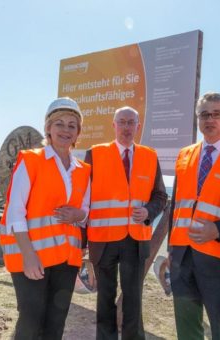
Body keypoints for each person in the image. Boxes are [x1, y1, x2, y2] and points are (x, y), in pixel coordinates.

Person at [0, 97, 91, 340]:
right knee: (30, 321)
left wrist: (78, 214)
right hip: (32, 257)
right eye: (59, 123)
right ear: (48, 128)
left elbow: (86, 211)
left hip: (66, 260)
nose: (66, 130)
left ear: (78, 132)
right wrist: (28, 256)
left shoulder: (83, 170)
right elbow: (15, 212)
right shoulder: (31, 160)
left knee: (55, 324)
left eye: (72, 125)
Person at [168, 92, 220, 340]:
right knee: (186, 325)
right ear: (197, 119)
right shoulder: (185, 154)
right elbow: (176, 207)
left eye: (217, 114)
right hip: (182, 255)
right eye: (204, 114)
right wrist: (171, 250)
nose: (209, 119)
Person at [85, 106, 167, 340]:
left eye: (131, 122)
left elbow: (160, 196)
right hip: (103, 240)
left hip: (136, 240)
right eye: (122, 122)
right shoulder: (95, 153)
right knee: (105, 298)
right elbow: (84, 197)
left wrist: (149, 211)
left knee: (133, 299)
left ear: (138, 126)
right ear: (114, 125)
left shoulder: (150, 155)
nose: (127, 127)